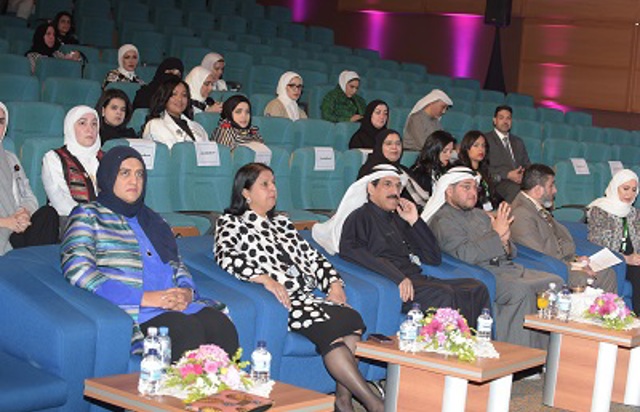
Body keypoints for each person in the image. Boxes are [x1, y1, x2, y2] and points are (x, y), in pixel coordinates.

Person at [216, 163, 383, 412]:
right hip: (287, 302)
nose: (273, 189)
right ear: (246, 192)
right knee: (329, 328)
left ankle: (343, 399)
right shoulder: (231, 223)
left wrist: (334, 283)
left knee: (352, 319)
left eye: (274, 183)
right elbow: (226, 256)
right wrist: (264, 279)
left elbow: (314, 257)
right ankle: (373, 403)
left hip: (308, 297)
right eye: (264, 184)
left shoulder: (282, 223)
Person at [62, 146, 238, 359]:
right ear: (108, 176)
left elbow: (176, 263)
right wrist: (144, 298)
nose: (134, 181)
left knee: (221, 325)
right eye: (125, 173)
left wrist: (187, 292)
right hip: (137, 310)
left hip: (174, 305)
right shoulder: (88, 215)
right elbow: (77, 269)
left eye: (139, 174)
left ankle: (222, 382)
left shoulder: (154, 219)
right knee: (186, 330)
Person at [312, 164, 490, 328]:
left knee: (476, 288)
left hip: (418, 281)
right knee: (444, 293)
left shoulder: (399, 218)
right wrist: (397, 277)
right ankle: (449, 348)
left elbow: (433, 258)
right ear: (371, 188)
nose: (394, 191)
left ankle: (475, 345)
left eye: (398, 186)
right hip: (394, 284)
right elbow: (352, 251)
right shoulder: (359, 217)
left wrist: (415, 221)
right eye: (387, 184)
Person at [423, 167, 564, 349]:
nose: (473, 193)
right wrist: (497, 236)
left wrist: (505, 242)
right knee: (520, 290)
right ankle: (514, 353)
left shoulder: (479, 215)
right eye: (466, 187)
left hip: (506, 268)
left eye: (475, 188)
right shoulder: (443, 220)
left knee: (554, 282)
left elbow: (509, 250)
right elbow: (465, 255)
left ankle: (545, 353)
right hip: (481, 273)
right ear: (449, 191)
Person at [511, 164, 617, 292]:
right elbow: (539, 255)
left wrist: (576, 260)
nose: (555, 190)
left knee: (607, 271)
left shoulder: (534, 207)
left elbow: (557, 240)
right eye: (551, 186)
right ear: (538, 190)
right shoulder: (521, 214)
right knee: (602, 276)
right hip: (547, 270)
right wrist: (574, 266)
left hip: (559, 263)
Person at [0, 102, 59, 255]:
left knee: (48, 214)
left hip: (16, 227)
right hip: (4, 226)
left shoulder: (10, 158)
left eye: (0, 121)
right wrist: (6, 222)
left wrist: (24, 213)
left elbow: (27, 194)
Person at [588, 169, 640, 309]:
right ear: (615, 187)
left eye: (634, 190)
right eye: (625, 189)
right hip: (612, 261)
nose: (630, 194)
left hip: (634, 260)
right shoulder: (599, 211)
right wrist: (626, 258)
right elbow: (598, 243)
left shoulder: (635, 213)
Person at [42, 105, 103, 218]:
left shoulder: (106, 158)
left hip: (108, 221)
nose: (90, 129)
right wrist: (91, 218)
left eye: (94, 124)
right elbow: (60, 202)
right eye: (82, 123)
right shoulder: (54, 158)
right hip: (71, 220)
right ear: (70, 127)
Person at [357, 129, 430, 209]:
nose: (394, 147)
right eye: (388, 144)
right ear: (379, 147)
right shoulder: (370, 171)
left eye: (398, 144)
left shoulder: (403, 170)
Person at [142, 78, 208, 149]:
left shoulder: (198, 127)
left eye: (184, 95)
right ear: (164, 97)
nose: (179, 99)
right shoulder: (154, 125)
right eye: (174, 94)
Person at [485, 105, 531, 203]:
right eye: (501, 118)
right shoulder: (486, 140)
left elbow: (527, 164)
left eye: (508, 118)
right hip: (498, 182)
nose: (505, 121)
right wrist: (507, 174)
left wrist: (522, 175)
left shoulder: (518, 142)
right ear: (494, 120)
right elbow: (483, 167)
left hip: (519, 181)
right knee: (516, 190)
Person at [455, 130, 498, 211]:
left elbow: (493, 194)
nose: (481, 149)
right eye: (476, 145)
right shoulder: (461, 172)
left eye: (483, 146)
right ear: (467, 148)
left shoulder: (484, 170)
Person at [409, 130, 455, 198]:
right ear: (434, 150)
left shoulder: (451, 170)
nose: (449, 155)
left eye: (451, 151)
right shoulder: (418, 172)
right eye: (445, 151)